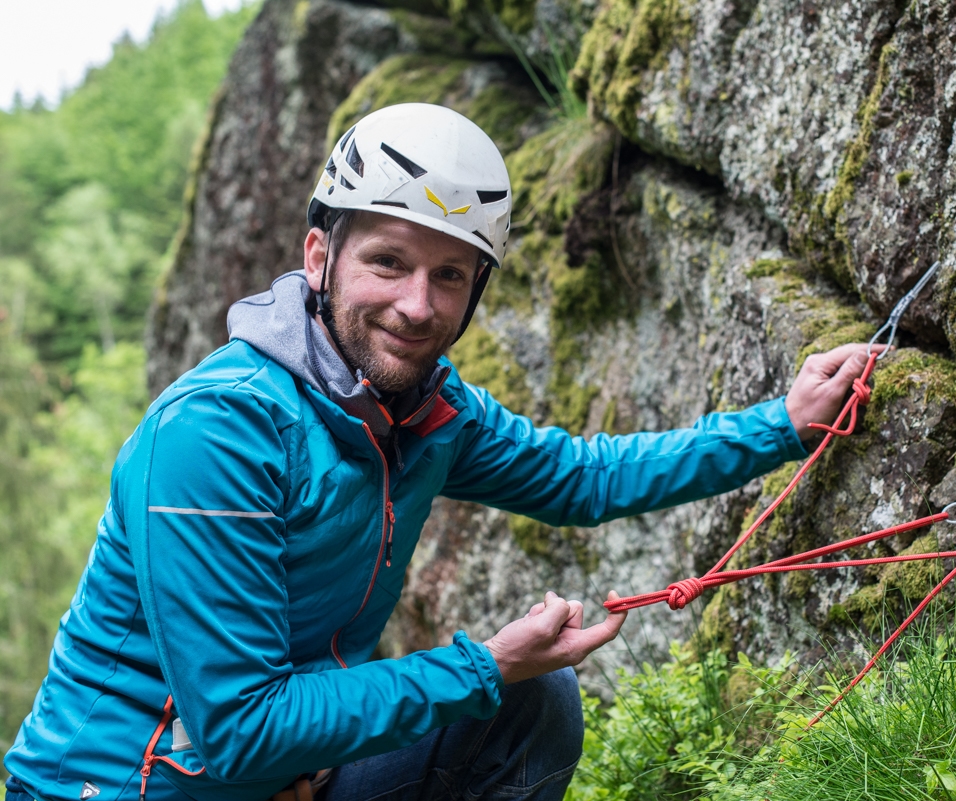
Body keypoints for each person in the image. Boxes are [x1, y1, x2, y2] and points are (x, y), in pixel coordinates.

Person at [3, 104, 883, 801]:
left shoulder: (423, 409)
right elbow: (240, 726)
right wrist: (483, 663)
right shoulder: (219, 429)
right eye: (387, 262)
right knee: (504, 686)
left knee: (529, 705)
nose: (417, 306)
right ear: (319, 255)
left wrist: (784, 423)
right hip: (123, 785)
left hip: (270, 773)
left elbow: (583, 477)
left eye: (450, 275)